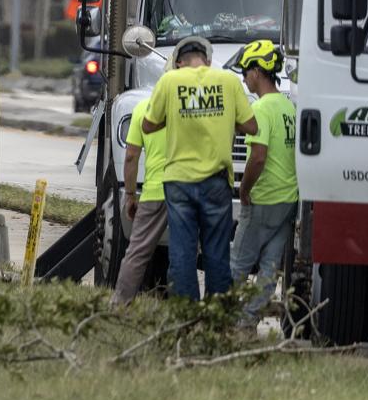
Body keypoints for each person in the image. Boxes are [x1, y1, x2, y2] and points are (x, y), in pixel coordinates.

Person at [140, 34, 254, 301]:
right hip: (217, 182)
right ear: (208, 60)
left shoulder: (169, 81)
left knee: (182, 251)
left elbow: (148, 125)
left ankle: (187, 316)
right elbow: (251, 126)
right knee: (217, 252)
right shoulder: (227, 80)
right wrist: (222, 120)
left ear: (179, 62)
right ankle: (216, 317)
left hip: (178, 181)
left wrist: (176, 116)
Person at [231, 40, 298, 321]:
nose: (244, 79)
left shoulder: (261, 109)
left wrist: (244, 190)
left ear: (257, 72)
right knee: (270, 268)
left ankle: (226, 320)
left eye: (245, 72)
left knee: (238, 266)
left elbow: (258, 157)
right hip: (288, 200)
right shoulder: (289, 106)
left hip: (263, 198)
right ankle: (249, 319)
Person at [111, 89, 171, 306]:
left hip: (154, 190)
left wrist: (129, 195)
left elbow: (131, 157)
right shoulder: (189, 109)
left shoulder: (141, 109)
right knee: (185, 251)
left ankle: (119, 305)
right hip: (186, 190)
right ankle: (183, 309)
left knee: (137, 253)